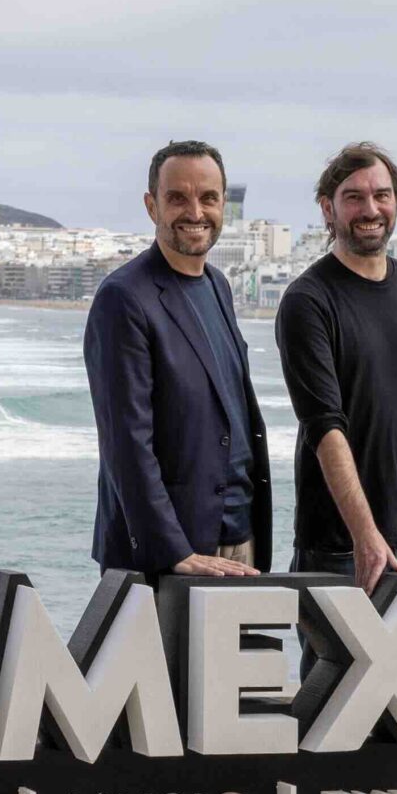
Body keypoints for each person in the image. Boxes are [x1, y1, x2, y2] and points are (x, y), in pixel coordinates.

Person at [275, 143, 397, 675]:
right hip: (338, 545)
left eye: (382, 195)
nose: (370, 208)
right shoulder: (308, 300)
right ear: (327, 208)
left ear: (396, 202)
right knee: (332, 704)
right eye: (353, 197)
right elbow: (324, 426)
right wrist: (364, 534)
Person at [83, 140, 270, 579]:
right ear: (152, 206)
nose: (195, 212)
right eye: (178, 198)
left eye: (208, 198)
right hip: (170, 554)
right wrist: (172, 551)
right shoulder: (124, 297)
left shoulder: (218, 285)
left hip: (237, 539)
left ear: (223, 205)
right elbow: (126, 440)